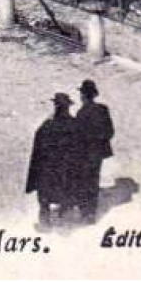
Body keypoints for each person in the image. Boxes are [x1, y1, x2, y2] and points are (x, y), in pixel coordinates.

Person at [26, 93, 81, 229]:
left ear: (56, 106)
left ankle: (45, 222)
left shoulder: (46, 126)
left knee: (45, 198)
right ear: (67, 107)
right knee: (66, 194)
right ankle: (64, 222)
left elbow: (37, 151)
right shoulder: (74, 126)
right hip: (65, 170)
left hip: (48, 171)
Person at [73, 79, 115, 224]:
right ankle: (91, 212)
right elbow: (110, 131)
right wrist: (100, 142)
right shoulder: (103, 109)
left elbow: (78, 136)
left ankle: (86, 212)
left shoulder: (81, 113)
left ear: (83, 96)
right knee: (94, 180)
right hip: (99, 153)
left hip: (85, 153)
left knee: (84, 181)